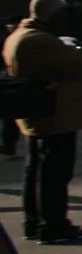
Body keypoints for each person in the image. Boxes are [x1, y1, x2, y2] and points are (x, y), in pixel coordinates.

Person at [3, 0, 82, 243]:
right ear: (52, 15)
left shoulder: (21, 35)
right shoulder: (40, 40)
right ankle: (54, 226)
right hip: (54, 114)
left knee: (36, 171)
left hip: (38, 112)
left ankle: (34, 223)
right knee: (55, 174)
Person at [1, 15, 24, 156]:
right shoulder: (6, 38)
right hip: (8, 79)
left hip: (18, 80)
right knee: (9, 117)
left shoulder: (20, 39)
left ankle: (9, 145)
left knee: (12, 117)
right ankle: (8, 145)